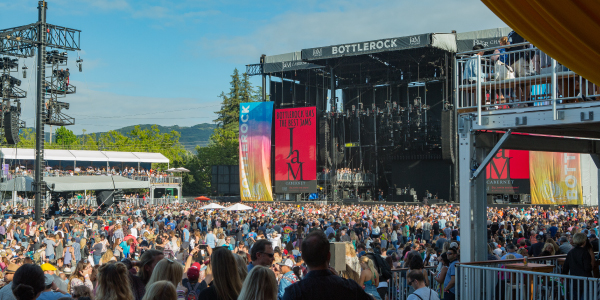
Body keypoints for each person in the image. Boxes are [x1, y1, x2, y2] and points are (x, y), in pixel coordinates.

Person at [282, 230, 372, 300]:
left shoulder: (293, 292)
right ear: (329, 256)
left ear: (303, 258)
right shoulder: (349, 287)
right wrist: (341, 280)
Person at [562, 233, 593, 300]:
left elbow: (565, 267)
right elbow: (587, 268)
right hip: (585, 280)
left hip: (574, 280)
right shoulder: (585, 253)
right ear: (584, 241)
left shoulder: (571, 252)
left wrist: (563, 275)